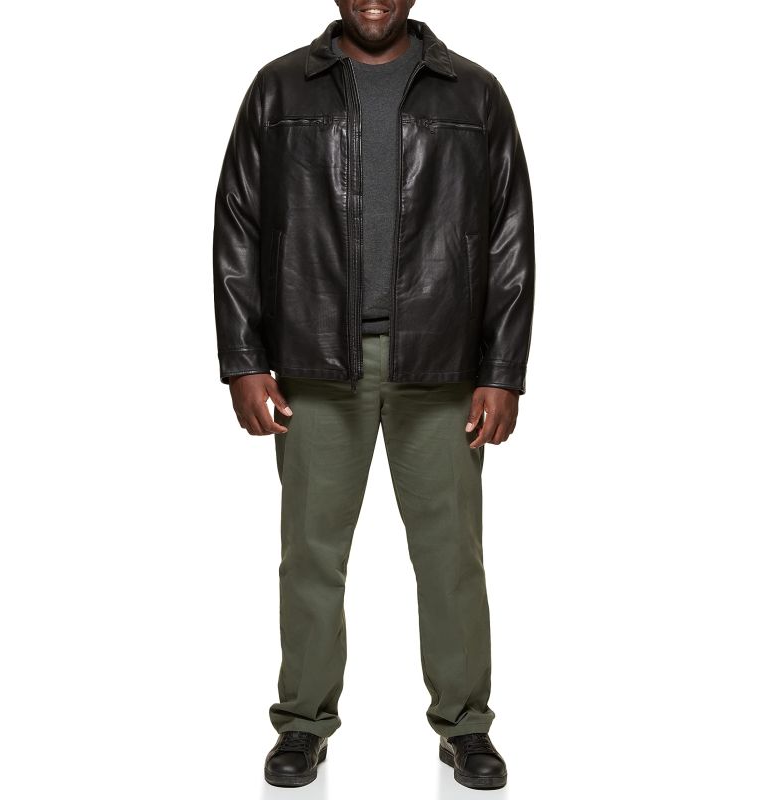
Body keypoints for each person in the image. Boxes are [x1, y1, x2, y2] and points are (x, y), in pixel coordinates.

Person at [212, 0, 535, 790]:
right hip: (315, 359)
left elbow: (509, 236)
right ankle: (302, 724)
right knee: (311, 557)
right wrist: (244, 359)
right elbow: (239, 224)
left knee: (451, 558)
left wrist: (501, 369)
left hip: (441, 361)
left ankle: (465, 726)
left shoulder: (475, 94)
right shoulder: (279, 90)